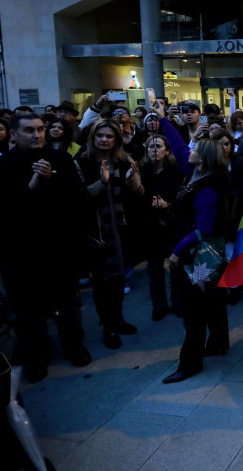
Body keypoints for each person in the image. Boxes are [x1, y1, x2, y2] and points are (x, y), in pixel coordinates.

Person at [0, 113, 89, 382]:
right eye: (29, 130)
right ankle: (38, 353)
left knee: (68, 302)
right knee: (29, 308)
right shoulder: (0, 167)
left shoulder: (61, 159)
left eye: (40, 129)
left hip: (59, 247)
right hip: (22, 251)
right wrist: (31, 186)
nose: (37, 135)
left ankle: (72, 344)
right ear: (14, 135)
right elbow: (0, 210)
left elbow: (77, 198)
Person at [159, 112, 231, 384]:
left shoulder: (207, 191)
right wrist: (163, 119)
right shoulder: (196, 173)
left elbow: (202, 230)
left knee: (194, 311)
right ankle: (219, 343)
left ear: (201, 158)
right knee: (212, 301)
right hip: (200, 255)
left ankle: (190, 362)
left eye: (194, 149)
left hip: (199, 259)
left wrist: (176, 251)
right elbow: (178, 147)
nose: (188, 150)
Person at [75, 119, 141, 349]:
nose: (104, 140)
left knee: (120, 277)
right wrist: (101, 183)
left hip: (122, 227)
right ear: (92, 138)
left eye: (109, 136)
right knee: (102, 281)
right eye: (99, 136)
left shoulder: (124, 161)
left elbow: (138, 193)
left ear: (117, 139)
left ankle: (118, 318)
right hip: (97, 230)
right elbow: (77, 198)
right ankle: (108, 325)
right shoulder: (82, 162)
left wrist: (134, 181)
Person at [138, 134, 185, 321]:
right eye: (151, 147)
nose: (154, 150)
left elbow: (182, 198)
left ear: (166, 150)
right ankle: (159, 305)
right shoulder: (141, 171)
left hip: (172, 224)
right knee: (154, 268)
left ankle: (178, 302)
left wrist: (168, 205)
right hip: (151, 226)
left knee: (175, 265)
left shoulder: (176, 171)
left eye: (158, 146)